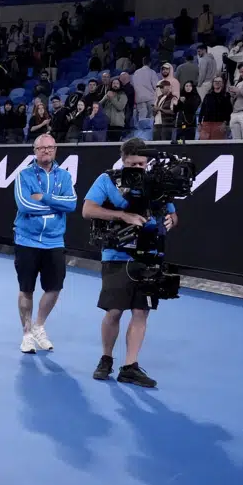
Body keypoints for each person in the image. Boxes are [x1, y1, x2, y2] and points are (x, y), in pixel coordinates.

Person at [80, 138, 178, 387]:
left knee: (141, 311)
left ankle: (130, 366)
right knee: (114, 311)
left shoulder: (157, 183)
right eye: (132, 163)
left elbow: (172, 214)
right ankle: (106, 359)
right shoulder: (107, 180)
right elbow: (88, 209)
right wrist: (122, 215)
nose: (137, 167)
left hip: (150, 255)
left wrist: (170, 221)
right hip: (116, 255)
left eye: (142, 163)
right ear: (123, 160)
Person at [13, 133, 77, 354]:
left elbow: (72, 204)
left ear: (55, 149)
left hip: (54, 241)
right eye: (41, 148)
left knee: (54, 288)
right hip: (26, 240)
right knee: (26, 289)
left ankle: (39, 326)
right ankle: (27, 333)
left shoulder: (65, 177)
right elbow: (24, 205)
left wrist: (45, 198)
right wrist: (56, 205)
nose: (46, 151)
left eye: (50, 147)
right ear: (35, 151)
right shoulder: (23, 175)